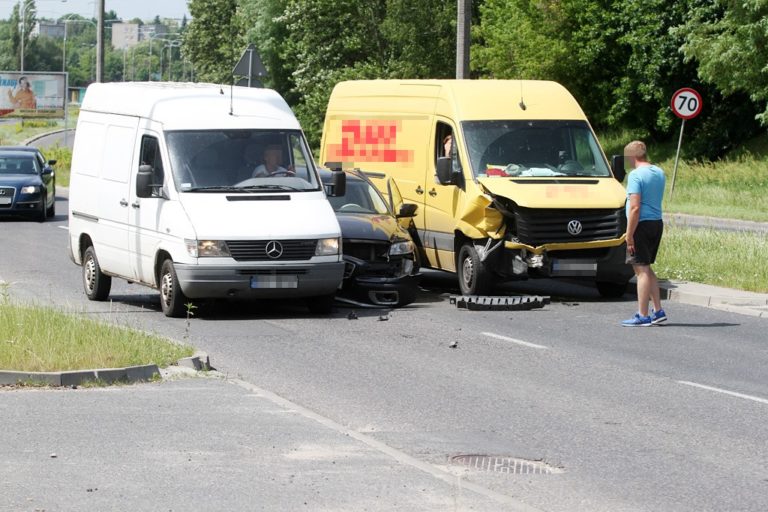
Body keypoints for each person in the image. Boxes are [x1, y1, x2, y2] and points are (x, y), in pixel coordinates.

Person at [622, 140, 667, 327]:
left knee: (640, 271)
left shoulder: (635, 175)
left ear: (632, 157)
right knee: (646, 267)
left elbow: (634, 208)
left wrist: (629, 234)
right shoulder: (659, 172)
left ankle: (642, 315)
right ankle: (658, 311)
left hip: (640, 225)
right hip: (656, 223)